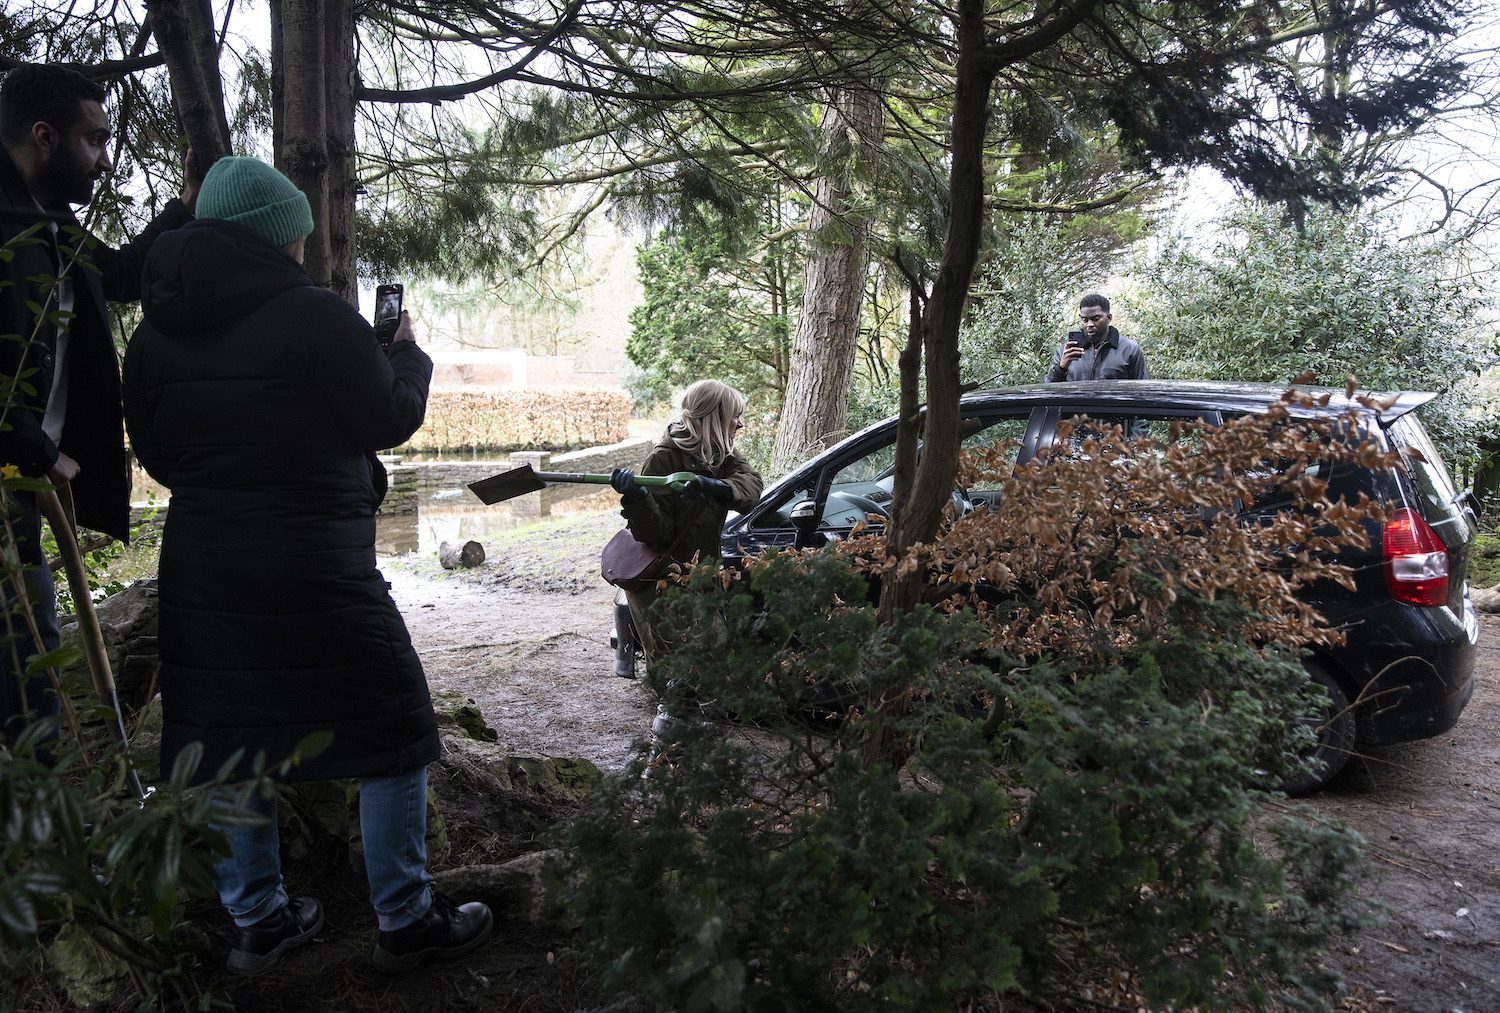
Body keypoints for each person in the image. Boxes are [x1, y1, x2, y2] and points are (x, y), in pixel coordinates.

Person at [122, 156, 491, 975]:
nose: (302, 246)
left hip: (205, 565)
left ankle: (259, 919)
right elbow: (388, 416)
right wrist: (408, 355)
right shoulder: (315, 316)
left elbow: (159, 454)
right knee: (394, 721)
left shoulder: (153, 334)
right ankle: (406, 915)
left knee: (227, 733)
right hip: (316, 561)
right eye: (296, 233)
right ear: (273, 236)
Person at [0, 63, 197, 744]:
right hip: (17, 470)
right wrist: (38, 450)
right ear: (44, 137)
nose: (106, 161)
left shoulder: (48, 220)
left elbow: (117, 275)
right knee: (25, 660)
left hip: (25, 479)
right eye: (94, 140)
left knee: (30, 653)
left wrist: (183, 204)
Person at [609, 380, 763, 669]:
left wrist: (715, 487)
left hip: (701, 580)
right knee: (679, 670)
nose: (740, 424)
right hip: (665, 585)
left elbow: (751, 487)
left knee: (712, 663)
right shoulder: (663, 459)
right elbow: (654, 534)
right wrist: (637, 498)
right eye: (735, 416)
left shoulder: (721, 457)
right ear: (715, 417)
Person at [1045, 292, 1149, 382]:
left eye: (1095, 319)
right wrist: (1061, 368)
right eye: (1085, 320)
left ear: (1109, 318)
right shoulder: (1065, 351)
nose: (1089, 324)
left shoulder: (1129, 349)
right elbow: (1049, 389)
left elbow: (1142, 389)